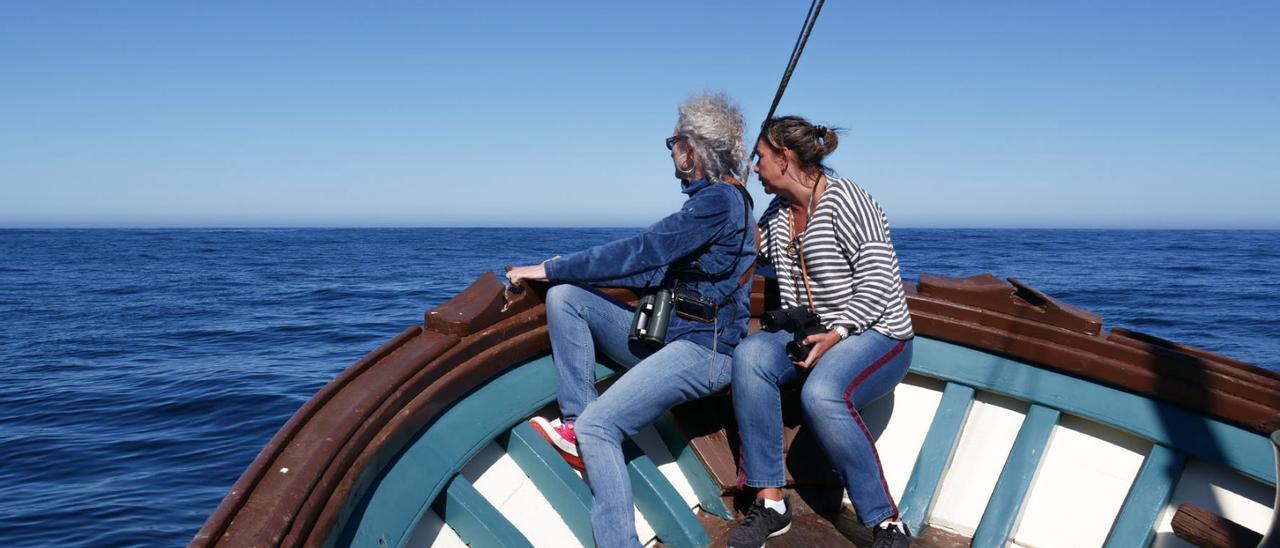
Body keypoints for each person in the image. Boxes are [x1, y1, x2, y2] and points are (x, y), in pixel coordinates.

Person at [504, 91, 756, 548]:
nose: (671, 152)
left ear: (692, 149)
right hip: (673, 336)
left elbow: (643, 249)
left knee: (600, 429)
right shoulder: (717, 201)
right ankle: (574, 422)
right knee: (567, 298)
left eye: (672, 143)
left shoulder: (718, 202)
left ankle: (593, 454)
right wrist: (567, 274)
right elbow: (658, 266)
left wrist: (548, 267)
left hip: (705, 351)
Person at [727, 116, 915, 548]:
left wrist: (840, 331)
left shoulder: (849, 201)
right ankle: (771, 502)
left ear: (785, 157)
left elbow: (880, 279)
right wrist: (735, 208)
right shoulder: (776, 215)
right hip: (813, 333)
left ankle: (886, 522)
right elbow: (752, 256)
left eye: (760, 158)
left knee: (822, 394)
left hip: (876, 332)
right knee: (751, 357)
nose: (755, 167)